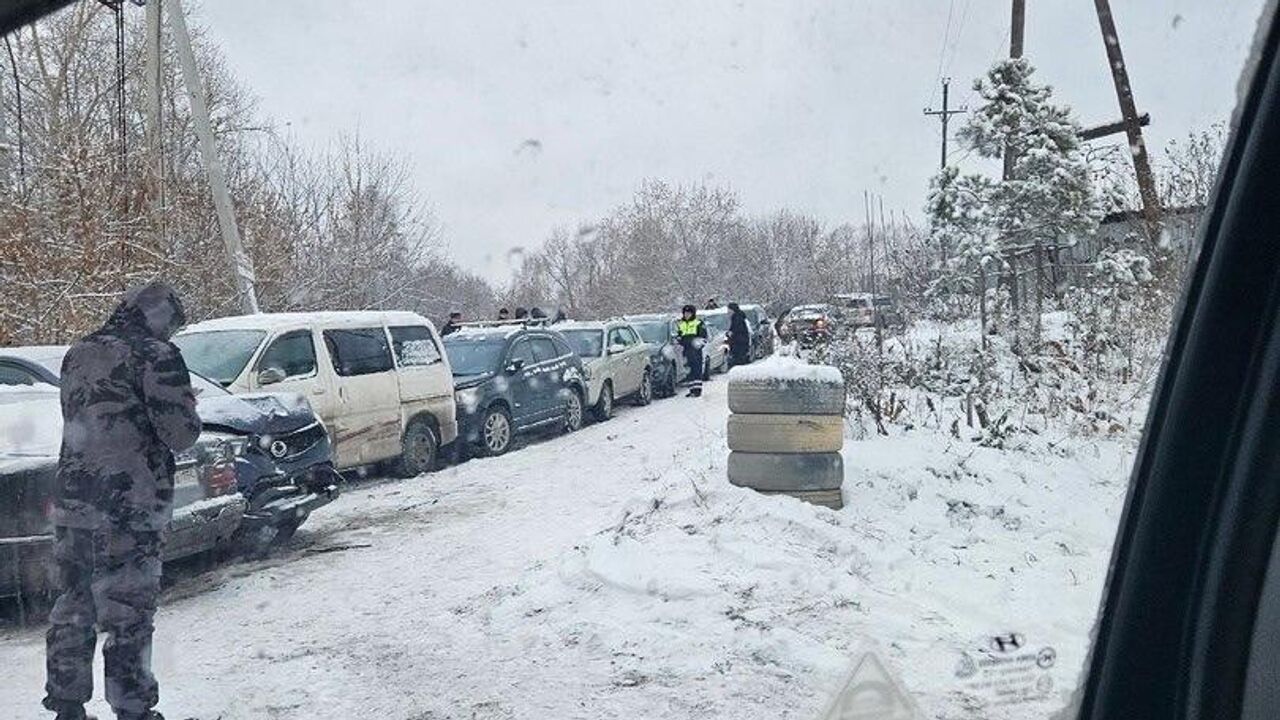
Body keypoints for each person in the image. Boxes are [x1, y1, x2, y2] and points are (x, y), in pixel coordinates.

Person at [44, 281, 202, 720]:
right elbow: (180, 434)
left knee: (73, 606)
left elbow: (82, 420)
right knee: (128, 612)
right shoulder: (157, 355)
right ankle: (133, 710)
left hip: (74, 501)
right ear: (162, 320)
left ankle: (67, 706)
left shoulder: (78, 352)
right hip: (130, 505)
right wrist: (189, 407)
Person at [676, 304, 708, 397]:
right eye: (685, 313)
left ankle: (697, 390)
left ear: (693, 313)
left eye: (689, 313)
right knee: (688, 370)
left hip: (695, 351)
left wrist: (698, 345)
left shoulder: (698, 323)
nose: (686, 315)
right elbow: (680, 335)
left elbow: (703, 338)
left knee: (696, 370)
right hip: (686, 350)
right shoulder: (681, 324)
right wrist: (679, 339)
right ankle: (691, 389)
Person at [727, 302, 751, 367]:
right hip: (741, 341)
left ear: (733, 309)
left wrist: (730, 333)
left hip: (739, 342)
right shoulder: (738, 316)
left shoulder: (737, 317)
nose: (728, 311)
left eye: (729, 309)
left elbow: (736, 328)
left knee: (738, 360)